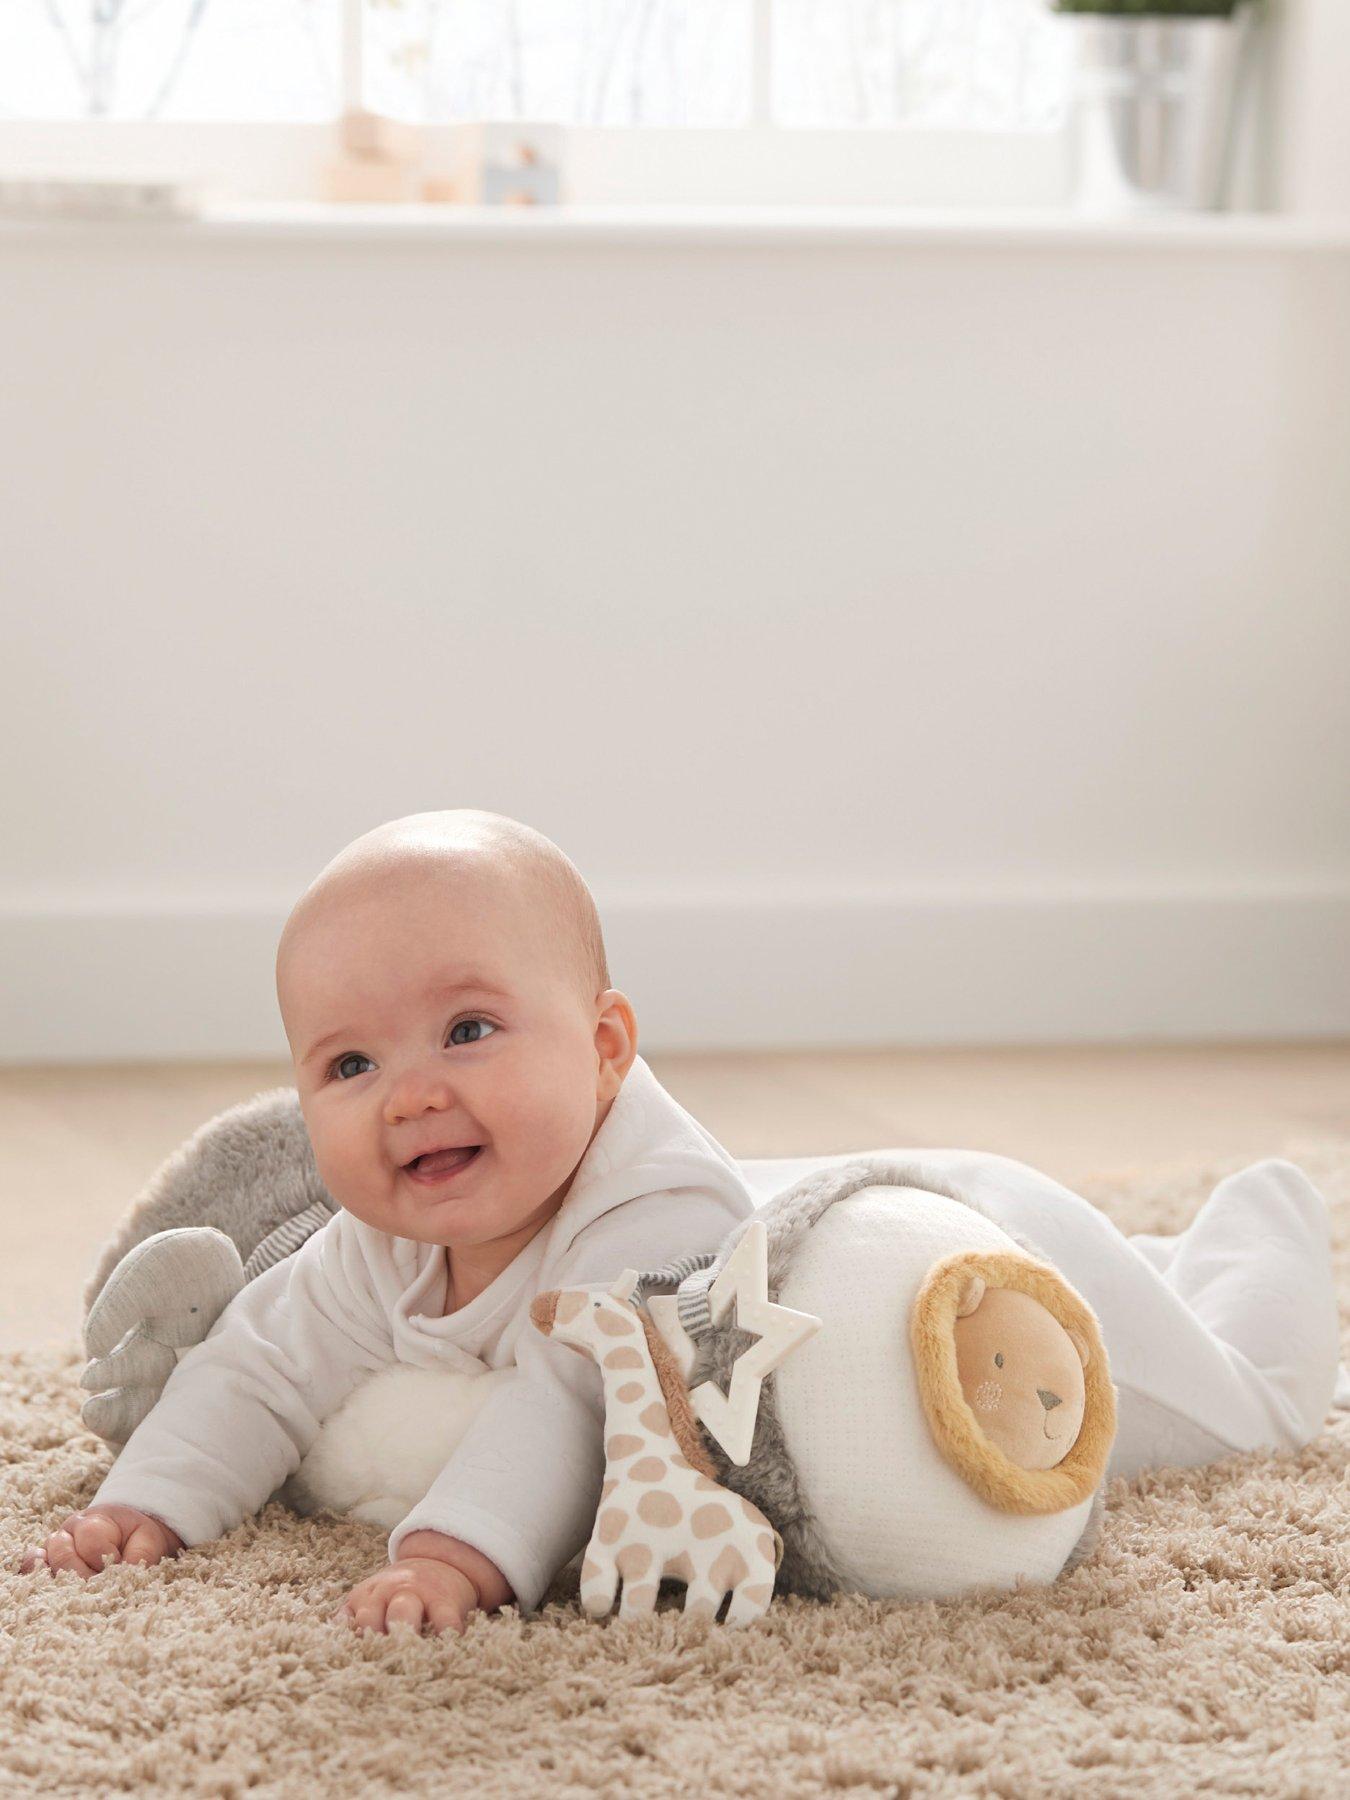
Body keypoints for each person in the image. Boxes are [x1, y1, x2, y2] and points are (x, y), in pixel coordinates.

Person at [19, 809, 1348, 1632]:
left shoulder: (651, 1208)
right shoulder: (375, 1242)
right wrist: (151, 1505)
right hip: (848, 1210)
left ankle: (1261, 1227)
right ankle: (1181, 1256)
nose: (411, 1093)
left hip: (981, 1244)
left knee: (1238, 1414)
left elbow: (569, 1393)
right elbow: (258, 1361)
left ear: (604, 1050)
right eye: (348, 1066)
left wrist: (453, 1556)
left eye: (469, 1029)